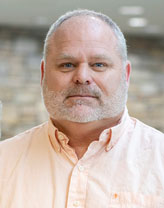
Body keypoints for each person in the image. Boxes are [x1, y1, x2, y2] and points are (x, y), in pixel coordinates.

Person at [0, 9, 164, 208]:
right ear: (43, 74)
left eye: (99, 64)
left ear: (126, 75)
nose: (82, 76)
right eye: (67, 65)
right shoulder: (4, 161)